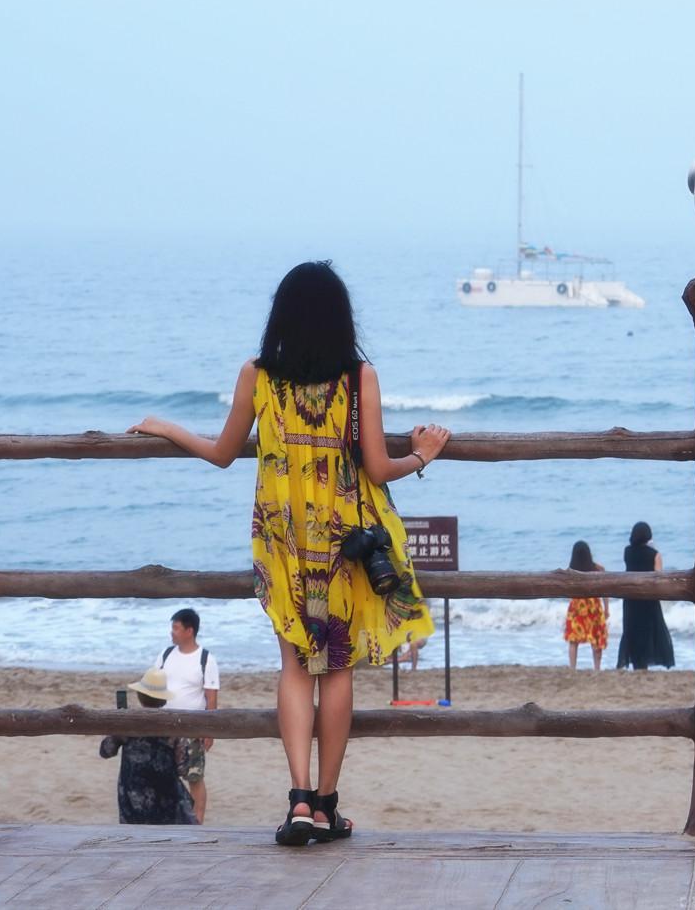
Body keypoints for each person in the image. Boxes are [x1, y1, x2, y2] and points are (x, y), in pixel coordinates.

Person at [131, 260, 447, 846]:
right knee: (338, 667)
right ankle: (326, 806)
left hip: (282, 538)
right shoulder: (359, 377)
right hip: (343, 542)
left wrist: (166, 427)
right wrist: (423, 455)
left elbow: (223, 452)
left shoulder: (258, 375)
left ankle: (298, 800)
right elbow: (379, 468)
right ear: (340, 318)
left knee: (295, 666)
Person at [149, 607, 220, 824]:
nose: (172, 632)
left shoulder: (205, 659)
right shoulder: (166, 654)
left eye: (176, 628)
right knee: (164, 776)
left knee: (194, 776)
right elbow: (152, 685)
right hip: (164, 727)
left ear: (189, 631)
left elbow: (211, 698)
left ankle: (197, 822)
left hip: (192, 728)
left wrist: (209, 731)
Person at [101, 667, 196, 825]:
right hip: (166, 801)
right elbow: (183, 769)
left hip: (132, 801)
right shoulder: (174, 727)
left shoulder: (128, 723)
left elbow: (106, 751)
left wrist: (116, 727)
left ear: (140, 696)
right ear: (163, 699)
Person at [616, 522, 675, 670]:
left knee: (632, 629)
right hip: (648, 598)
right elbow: (659, 577)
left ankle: (637, 664)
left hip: (630, 598)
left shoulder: (627, 552)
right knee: (648, 631)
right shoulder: (655, 554)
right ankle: (645, 663)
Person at [562, 540, 609, 670]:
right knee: (596, 639)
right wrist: (607, 608)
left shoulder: (570, 572)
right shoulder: (598, 569)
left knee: (573, 640)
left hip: (577, 607)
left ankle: (572, 668)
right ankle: (597, 668)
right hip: (593, 607)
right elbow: (606, 591)